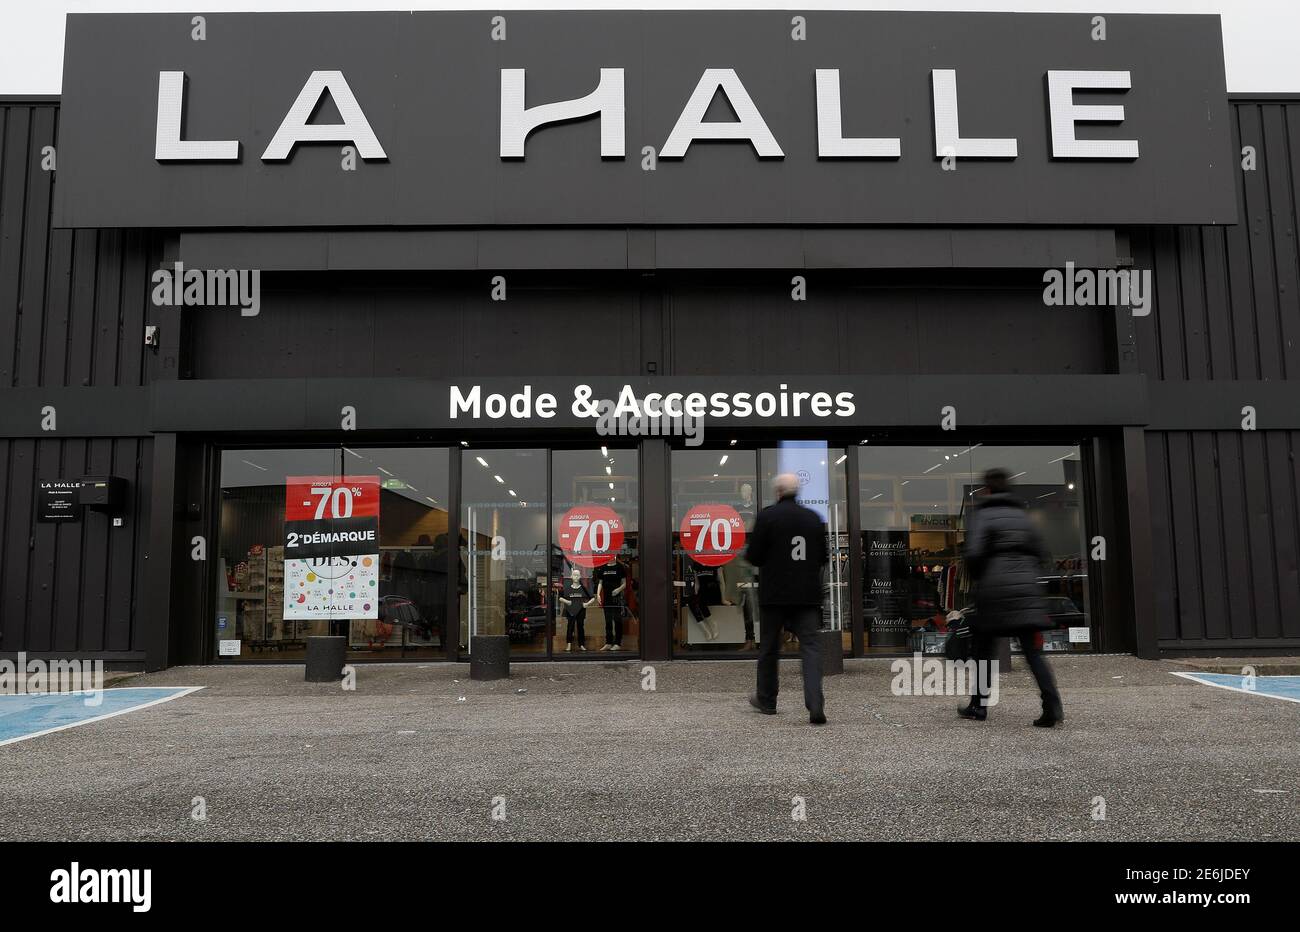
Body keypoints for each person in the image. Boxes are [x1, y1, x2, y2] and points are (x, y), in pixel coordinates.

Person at [960, 468, 1064, 727]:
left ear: (987, 490)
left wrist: (980, 578)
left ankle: (978, 706)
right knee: (1033, 653)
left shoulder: (982, 515)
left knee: (984, 651)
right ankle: (1052, 706)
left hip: (994, 591)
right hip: (1025, 591)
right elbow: (1042, 553)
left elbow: (973, 554)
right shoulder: (1023, 516)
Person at [744, 473, 829, 725]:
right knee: (811, 649)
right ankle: (815, 704)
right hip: (807, 595)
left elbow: (755, 556)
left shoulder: (767, 516)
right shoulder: (813, 518)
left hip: (775, 595)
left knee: (770, 648)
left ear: (778, 492)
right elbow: (822, 557)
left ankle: (767, 700)